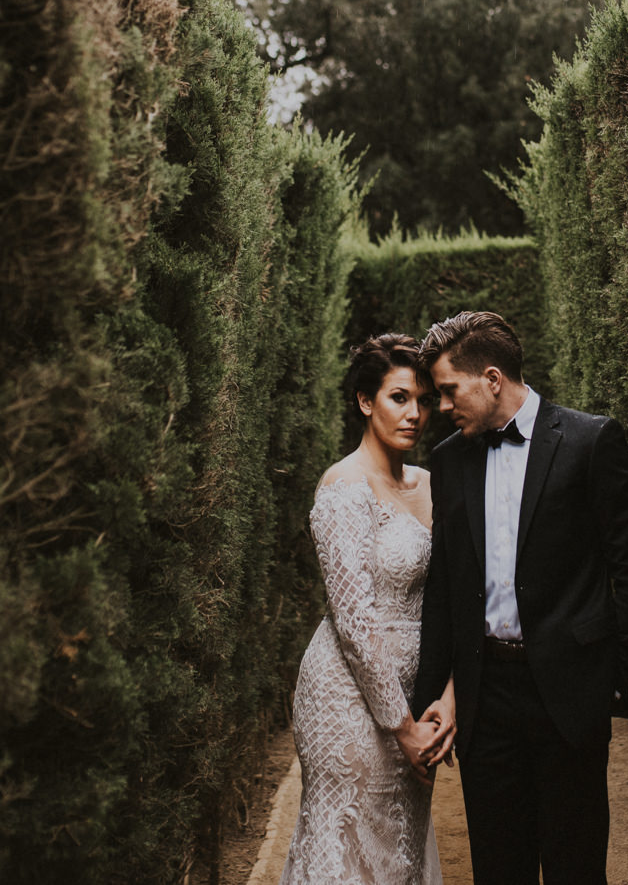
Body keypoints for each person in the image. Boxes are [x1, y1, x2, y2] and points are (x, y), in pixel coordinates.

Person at [408, 311, 628, 885]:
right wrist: (434, 698)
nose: (441, 408)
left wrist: (609, 677)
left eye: (448, 391)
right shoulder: (448, 460)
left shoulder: (590, 441)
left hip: (569, 698)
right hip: (486, 701)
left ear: (491, 379)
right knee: (499, 869)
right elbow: (444, 590)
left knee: (575, 867)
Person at [279, 333, 457, 885]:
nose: (415, 414)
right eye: (399, 397)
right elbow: (354, 622)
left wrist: (448, 697)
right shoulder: (342, 487)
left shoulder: (434, 484)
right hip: (345, 699)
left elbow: (457, 600)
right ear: (365, 401)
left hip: (416, 695)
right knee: (348, 849)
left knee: (401, 845)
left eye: (424, 401)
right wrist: (401, 727)